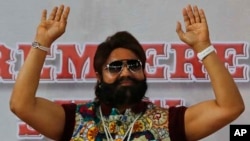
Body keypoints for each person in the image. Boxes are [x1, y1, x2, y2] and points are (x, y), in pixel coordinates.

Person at [10, 4, 244, 141]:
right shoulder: (74, 120)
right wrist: (41, 43)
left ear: (143, 72)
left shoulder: (170, 123)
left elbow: (230, 107)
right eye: (114, 67)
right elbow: (21, 105)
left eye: (134, 65)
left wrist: (204, 48)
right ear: (99, 76)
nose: (125, 72)